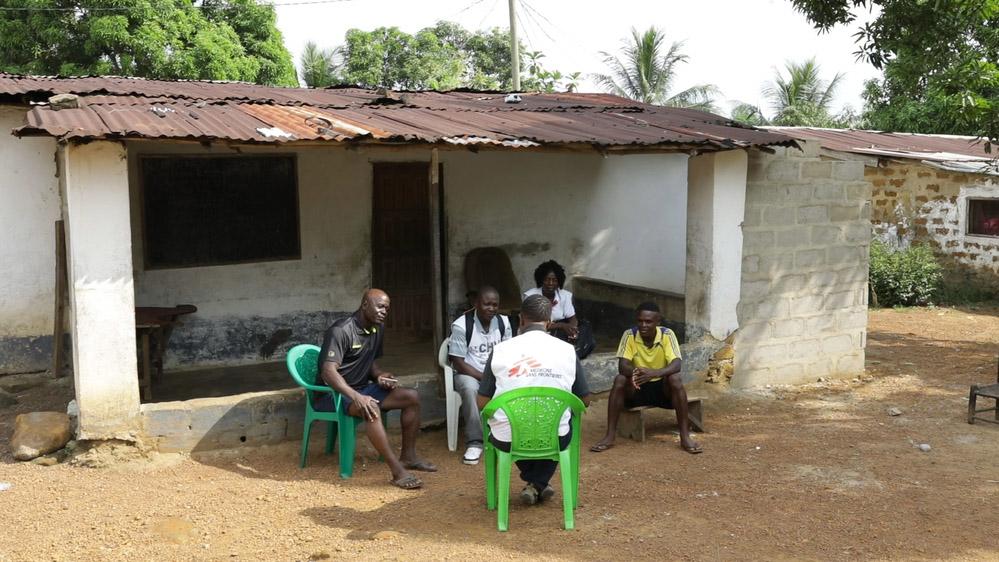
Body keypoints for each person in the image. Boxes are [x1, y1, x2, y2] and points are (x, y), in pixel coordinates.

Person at [317, 288, 437, 490]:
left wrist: (379, 375)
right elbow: (328, 372)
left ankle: (408, 457)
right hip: (334, 394)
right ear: (364, 305)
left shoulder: (376, 328)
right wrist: (356, 396)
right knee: (370, 407)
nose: (384, 312)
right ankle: (398, 471)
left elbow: (369, 361)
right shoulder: (341, 331)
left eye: (387, 309)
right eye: (380, 306)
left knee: (412, 397)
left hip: (363, 388)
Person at [477, 294, 591, 505]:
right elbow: (584, 400)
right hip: (554, 436)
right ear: (548, 323)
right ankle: (539, 483)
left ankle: (535, 483)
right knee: (558, 427)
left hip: (508, 438)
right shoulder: (567, 350)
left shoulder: (500, 350)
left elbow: (482, 403)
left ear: (520, 319)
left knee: (514, 430)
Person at [590, 302, 703, 454]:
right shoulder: (629, 335)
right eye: (640, 321)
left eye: (648, 321)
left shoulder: (666, 334)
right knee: (620, 379)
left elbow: (676, 364)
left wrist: (654, 373)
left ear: (658, 322)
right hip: (637, 389)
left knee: (675, 378)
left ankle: (684, 436)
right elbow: (623, 366)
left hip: (663, 392)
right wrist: (639, 372)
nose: (643, 325)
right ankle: (609, 436)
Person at [448, 286, 514, 465]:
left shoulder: (503, 323)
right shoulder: (462, 325)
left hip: (496, 373)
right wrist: (484, 378)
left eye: (495, 305)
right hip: (469, 373)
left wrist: (502, 376)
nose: (492, 308)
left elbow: (509, 354)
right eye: (487, 304)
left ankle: (507, 437)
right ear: (476, 304)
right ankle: (475, 442)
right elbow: (458, 361)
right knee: (470, 389)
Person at [523, 260, 578, 340]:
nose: (550, 283)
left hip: (560, 333)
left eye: (555, 280)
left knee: (585, 326)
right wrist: (561, 325)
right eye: (547, 279)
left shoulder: (565, 295)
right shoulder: (531, 296)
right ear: (541, 280)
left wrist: (573, 329)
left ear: (559, 281)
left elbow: (572, 318)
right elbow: (533, 324)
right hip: (538, 333)